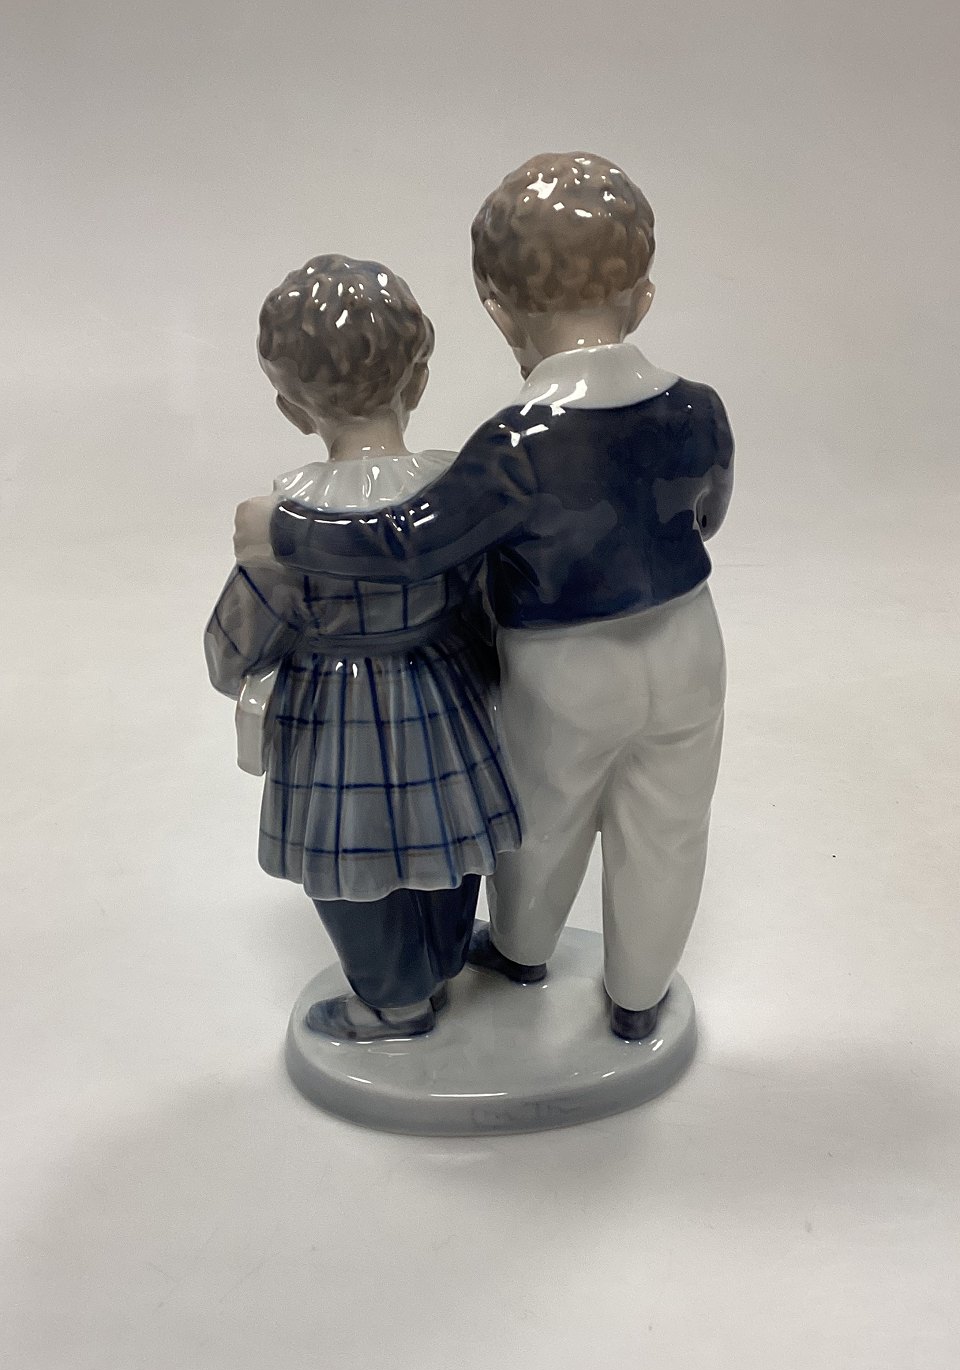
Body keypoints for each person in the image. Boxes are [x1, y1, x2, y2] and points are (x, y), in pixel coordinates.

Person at [233, 155, 734, 1041]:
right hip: (690, 641)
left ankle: (522, 949)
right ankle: (638, 998)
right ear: (644, 299)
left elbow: (406, 541)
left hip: (563, 661)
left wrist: (287, 531)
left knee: (541, 815)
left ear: (499, 313)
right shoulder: (699, 409)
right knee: (671, 826)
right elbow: (708, 515)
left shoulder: (515, 443)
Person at [205, 255, 521, 1042]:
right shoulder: (454, 491)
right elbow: (490, 600)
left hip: (331, 708)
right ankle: (441, 957)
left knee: (351, 855)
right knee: (448, 828)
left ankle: (393, 998)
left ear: (290, 407)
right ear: (419, 381)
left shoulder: (280, 519)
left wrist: (237, 655)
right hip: (443, 690)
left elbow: (236, 644)